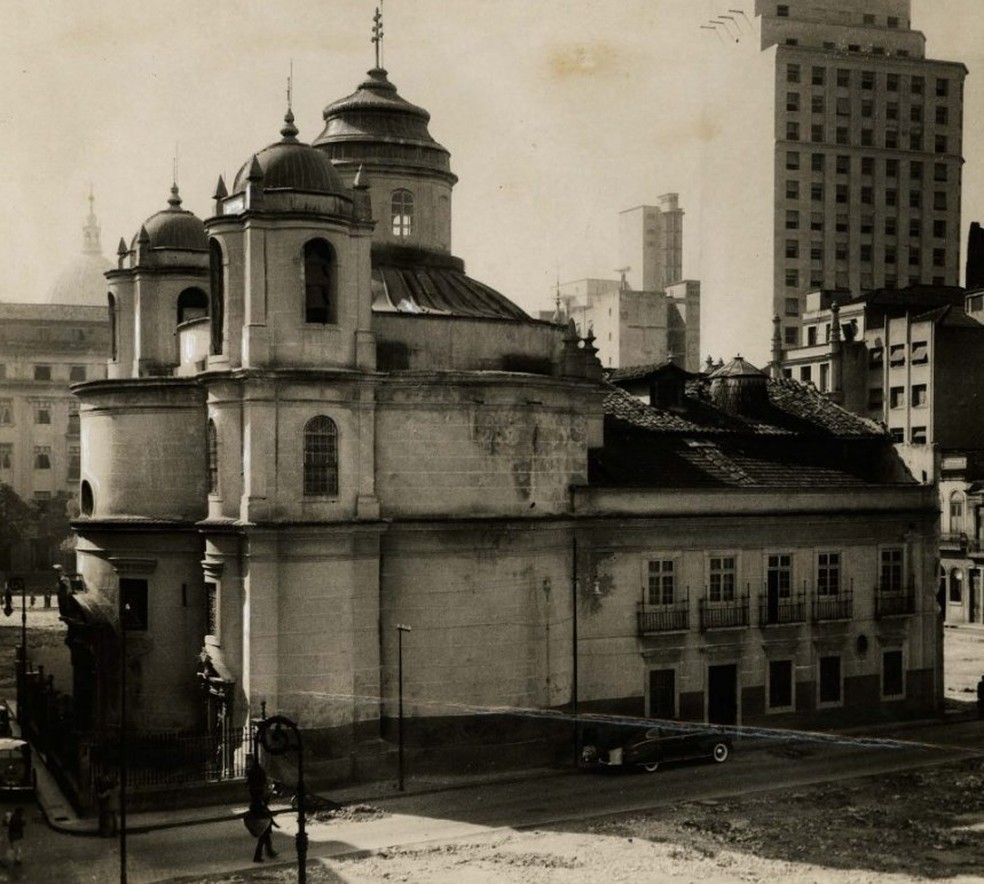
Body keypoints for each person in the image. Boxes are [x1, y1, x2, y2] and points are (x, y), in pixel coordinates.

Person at [246, 795, 279, 863]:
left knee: (266, 840)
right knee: (262, 841)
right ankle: (258, 857)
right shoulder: (259, 806)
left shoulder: (260, 805)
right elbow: (265, 815)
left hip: (263, 825)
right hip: (262, 825)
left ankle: (269, 853)